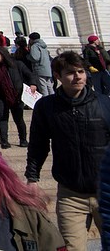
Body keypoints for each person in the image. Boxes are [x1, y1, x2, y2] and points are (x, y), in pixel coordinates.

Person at [26, 51, 110, 250]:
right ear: (58, 76)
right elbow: (38, 144)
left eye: (81, 71)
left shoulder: (105, 104)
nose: (78, 76)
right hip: (70, 194)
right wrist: (32, 177)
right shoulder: (46, 107)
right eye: (71, 72)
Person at [0, 45, 36, 149]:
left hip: (16, 95)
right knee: (2, 118)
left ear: (3, 54)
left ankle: (23, 139)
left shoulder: (17, 64)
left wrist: (33, 84)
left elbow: (30, 74)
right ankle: (4, 141)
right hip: (0, 96)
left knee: (18, 119)